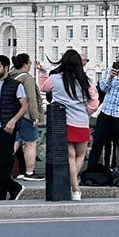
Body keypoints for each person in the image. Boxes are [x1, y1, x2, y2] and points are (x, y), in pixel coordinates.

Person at [37, 48, 96, 202]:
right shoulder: (87, 80)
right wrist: (86, 113)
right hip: (82, 122)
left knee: (69, 156)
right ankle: (74, 185)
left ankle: (75, 188)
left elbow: (43, 87)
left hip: (64, 122)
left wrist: (43, 73)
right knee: (81, 155)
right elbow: (94, 103)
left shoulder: (56, 78)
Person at [0, 55, 29, 201]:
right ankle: (13, 188)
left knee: (3, 162)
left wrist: (13, 121)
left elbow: (25, 106)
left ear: (6, 68)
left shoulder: (16, 85)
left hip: (6, 128)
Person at [11, 53, 44, 180]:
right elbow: (31, 98)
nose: (30, 65)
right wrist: (35, 117)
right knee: (30, 143)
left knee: (15, 143)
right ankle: (29, 172)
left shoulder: (11, 75)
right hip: (25, 115)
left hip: (14, 115)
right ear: (25, 64)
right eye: (29, 63)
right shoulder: (26, 78)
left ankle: (1, 168)